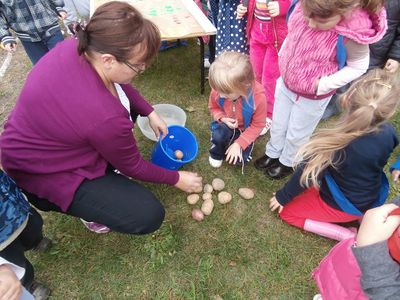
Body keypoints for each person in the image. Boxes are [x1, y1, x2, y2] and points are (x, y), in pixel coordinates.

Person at [0, 1, 202, 235]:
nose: (142, 69)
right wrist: (176, 178)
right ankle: (89, 208)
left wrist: (149, 111)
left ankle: (102, 171)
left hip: (26, 146)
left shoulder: (77, 47)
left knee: (111, 137)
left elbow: (115, 82)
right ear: (108, 59)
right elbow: (133, 165)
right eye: (138, 66)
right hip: (42, 173)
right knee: (148, 214)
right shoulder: (105, 117)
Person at [254, 0, 388, 179]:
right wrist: (283, 54)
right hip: (286, 82)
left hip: (312, 96)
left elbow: (358, 66)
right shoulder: (305, 8)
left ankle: (287, 161)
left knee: (298, 131)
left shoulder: (350, 34)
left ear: (343, 12)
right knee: (279, 123)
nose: (310, 23)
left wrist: (322, 85)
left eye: (320, 21)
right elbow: (292, 32)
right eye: (307, 16)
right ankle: (273, 152)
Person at [268, 69, 399, 241]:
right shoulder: (389, 132)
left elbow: (306, 173)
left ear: (348, 97)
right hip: (373, 196)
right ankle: (363, 217)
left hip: (344, 203)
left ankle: (348, 236)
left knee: (288, 213)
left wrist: (283, 197)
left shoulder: (333, 144)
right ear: (390, 112)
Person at [312, 202, 400, 300]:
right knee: (337, 279)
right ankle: (328, 294)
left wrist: (369, 248)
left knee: (345, 288)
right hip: (353, 258)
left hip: (375, 279)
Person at [236, 0, 290, 134]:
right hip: (257, 34)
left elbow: (297, 4)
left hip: (276, 38)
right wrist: (243, 7)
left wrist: (282, 6)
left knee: (269, 79)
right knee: (255, 74)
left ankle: (268, 114)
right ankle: (256, 105)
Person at [207, 51, 266, 169]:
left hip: (245, 129)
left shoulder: (258, 98)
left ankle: (238, 146)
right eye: (218, 91)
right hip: (226, 124)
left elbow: (258, 125)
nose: (221, 96)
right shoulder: (219, 89)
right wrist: (222, 118)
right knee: (219, 135)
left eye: (227, 93)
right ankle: (216, 152)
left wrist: (240, 143)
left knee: (239, 160)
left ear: (245, 86)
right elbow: (213, 108)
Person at [0, 169, 51, 299]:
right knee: (13, 260)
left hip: (12, 203)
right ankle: (28, 282)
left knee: (34, 226)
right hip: (1, 239)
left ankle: (35, 241)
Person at [0, 0, 67, 65]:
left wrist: (58, 7)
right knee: (42, 69)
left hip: (51, 26)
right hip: (27, 37)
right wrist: (5, 36)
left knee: (64, 61)